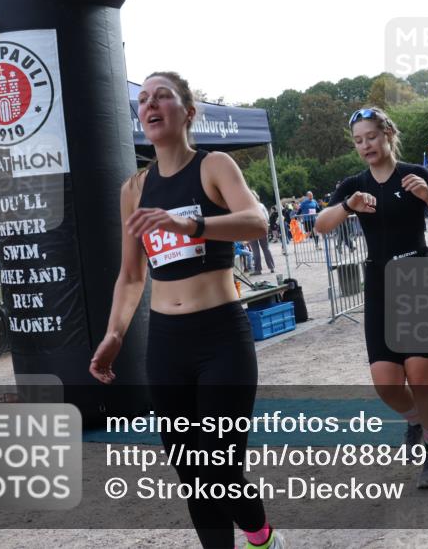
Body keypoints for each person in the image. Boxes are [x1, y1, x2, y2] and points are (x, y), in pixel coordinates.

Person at [89, 71, 283, 549]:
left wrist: (190, 224)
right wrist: (115, 334)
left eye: (162, 96)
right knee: (192, 472)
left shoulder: (213, 166)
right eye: (143, 99)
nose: (150, 104)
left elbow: (256, 222)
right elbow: (131, 275)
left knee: (220, 466)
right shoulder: (134, 189)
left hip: (221, 338)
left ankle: (261, 537)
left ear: (188, 111)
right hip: (167, 345)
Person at [315, 107, 428, 489]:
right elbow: (321, 225)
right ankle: (416, 421)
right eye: (358, 140)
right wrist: (347, 206)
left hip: (417, 276)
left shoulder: (415, 174)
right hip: (379, 281)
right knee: (386, 383)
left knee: (420, 375)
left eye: (371, 137)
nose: (365, 145)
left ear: (388, 135)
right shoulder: (354, 184)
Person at [248, 191, 276, 275]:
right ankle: (271, 267)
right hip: (262, 228)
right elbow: (267, 217)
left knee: (255, 251)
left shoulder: (247, 206)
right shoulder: (261, 206)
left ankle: (258, 270)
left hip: (251, 230)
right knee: (266, 248)